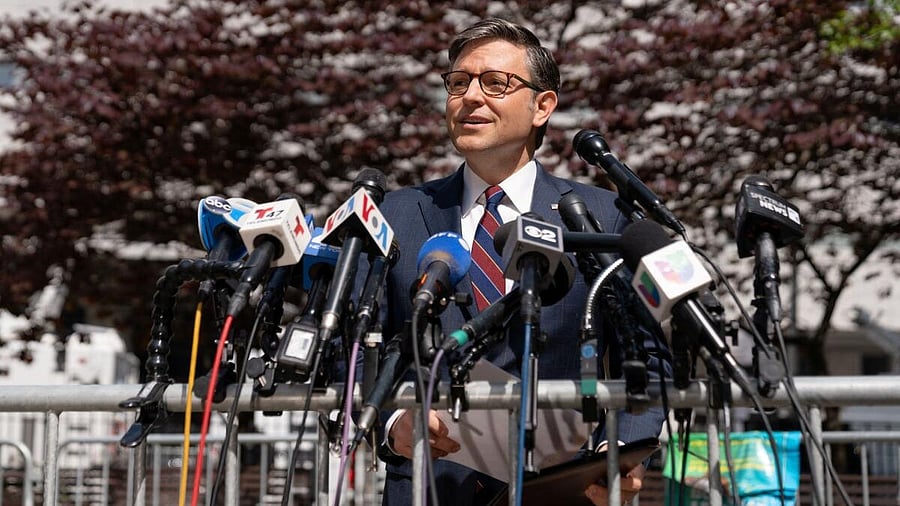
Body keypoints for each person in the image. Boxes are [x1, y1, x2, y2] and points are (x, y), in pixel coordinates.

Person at [373, 17, 669, 506]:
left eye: (495, 83)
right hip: (429, 488)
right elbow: (353, 353)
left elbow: (650, 358)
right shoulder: (397, 215)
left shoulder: (601, 217)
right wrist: (391, 424)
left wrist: (618, 448)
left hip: (565, 489)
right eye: (458, 82)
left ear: (542, 106)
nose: (470, 96)